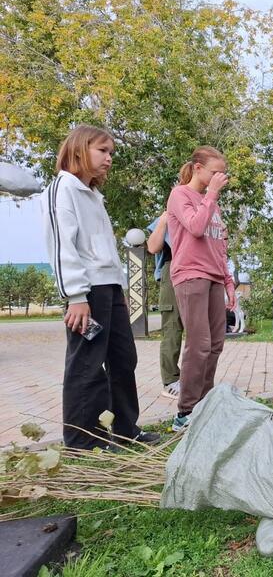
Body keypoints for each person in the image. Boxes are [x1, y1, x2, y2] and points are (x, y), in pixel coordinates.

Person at [41, 125, 159, 449]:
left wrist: (119, 286)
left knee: (124, 359)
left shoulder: (94, 195)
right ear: (80, 149)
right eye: (102, 151)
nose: (109, 158)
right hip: (86, 293)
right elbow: (62, 247)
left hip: (110, 288)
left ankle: (125, 430)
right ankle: (82, 441)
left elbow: (104, 248)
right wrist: (76, 297)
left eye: (111, 153)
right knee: (86, 366)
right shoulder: (62, 190)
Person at [167, 146, 236, 432]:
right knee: (199, 344)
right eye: (214, 172)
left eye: (222, 173)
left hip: (214, 277)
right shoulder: (180, 195)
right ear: (197, 168)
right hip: (190, 274)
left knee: (216, 344)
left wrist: (229, 282)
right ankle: (185, 412)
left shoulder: (213, 204)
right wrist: (211, 195)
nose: (220, 177)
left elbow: (219, 245)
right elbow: (195, 228)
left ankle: (204, 406)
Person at [147, 211, 183, 399]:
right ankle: (170, 381)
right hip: (173, 269)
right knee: (172, 327)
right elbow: (153, 247)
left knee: (199, 329)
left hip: (198, 269)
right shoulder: (168, 215)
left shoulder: (202, 211)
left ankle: (194, 379)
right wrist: (163, 220)